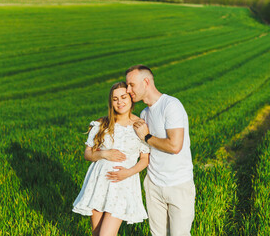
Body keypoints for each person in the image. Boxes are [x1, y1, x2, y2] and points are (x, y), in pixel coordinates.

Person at [125, 65, 195, 236]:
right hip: (154, 185)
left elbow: (174, 146)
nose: (128, 90)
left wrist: (147, 136)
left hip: (178, 184)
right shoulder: (144, 113)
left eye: (131, 85)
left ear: (146, 82)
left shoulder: (171, 105)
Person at [72, 82, 150, 236]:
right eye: (115, 99)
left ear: (131, 99)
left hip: (122, 184)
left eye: (123, 97)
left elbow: (144, 159)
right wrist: (103, 154)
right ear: (111, 102)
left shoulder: (139, 126)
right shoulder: (102, 124)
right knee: (96, 234)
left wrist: (128, 173)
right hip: (98, 183)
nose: (120, 102)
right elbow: (87, 154)